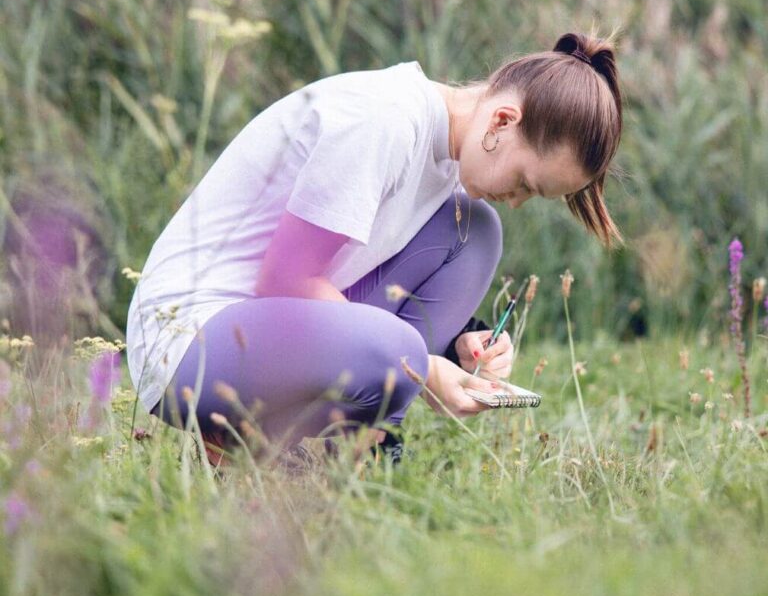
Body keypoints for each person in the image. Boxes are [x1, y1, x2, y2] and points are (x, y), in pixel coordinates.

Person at [125, 31, 623, 466]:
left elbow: (344, 279)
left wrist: (457, 348)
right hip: (191, 343)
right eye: (523, 183)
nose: (517, 202)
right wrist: (422, 369)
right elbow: (285, 281)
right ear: (501, 121)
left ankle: (358, 448)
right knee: (406, 343)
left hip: (271, 328)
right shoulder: (384, 121)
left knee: (475, 230)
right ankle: (255, 443)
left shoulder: (448, 155)